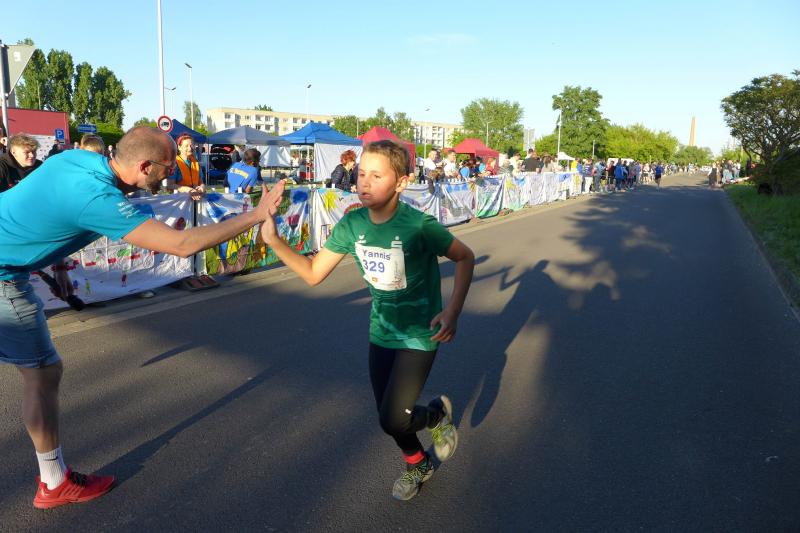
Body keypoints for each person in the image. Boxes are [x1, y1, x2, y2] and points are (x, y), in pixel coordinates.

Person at [0, 126, 285, 509]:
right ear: (145, 166)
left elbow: (40, 210)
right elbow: (181, 244)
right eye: (167, 168)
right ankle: (54, 483)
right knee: (42, 373)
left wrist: (60, 267)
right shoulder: (98, 199)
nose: (171, 174)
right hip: (4, 277)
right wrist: (256, 215)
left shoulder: (76, 160)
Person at [260, 140, 474, 501]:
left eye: (376, 176)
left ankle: (435, 417)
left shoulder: (419, 226)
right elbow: (313, 273)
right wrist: (274, 241)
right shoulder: (351, 224)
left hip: (419, 334)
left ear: (401, 182)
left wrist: (452, 311)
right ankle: (419, 461)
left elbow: (465, 257)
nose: (364, 182)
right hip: (381, 332)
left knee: (394, 418)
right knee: (387, 415)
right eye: (361, 174)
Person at [167, 133, 205, 199]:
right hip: (181, 200)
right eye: (186, 146)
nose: (190, 148)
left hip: (197, 200)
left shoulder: (196, 162)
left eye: (191, 145)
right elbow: (170, 185)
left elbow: (201, 182)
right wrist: (187, 189)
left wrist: (202, 187)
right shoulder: (175, 163)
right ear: (179, 147)